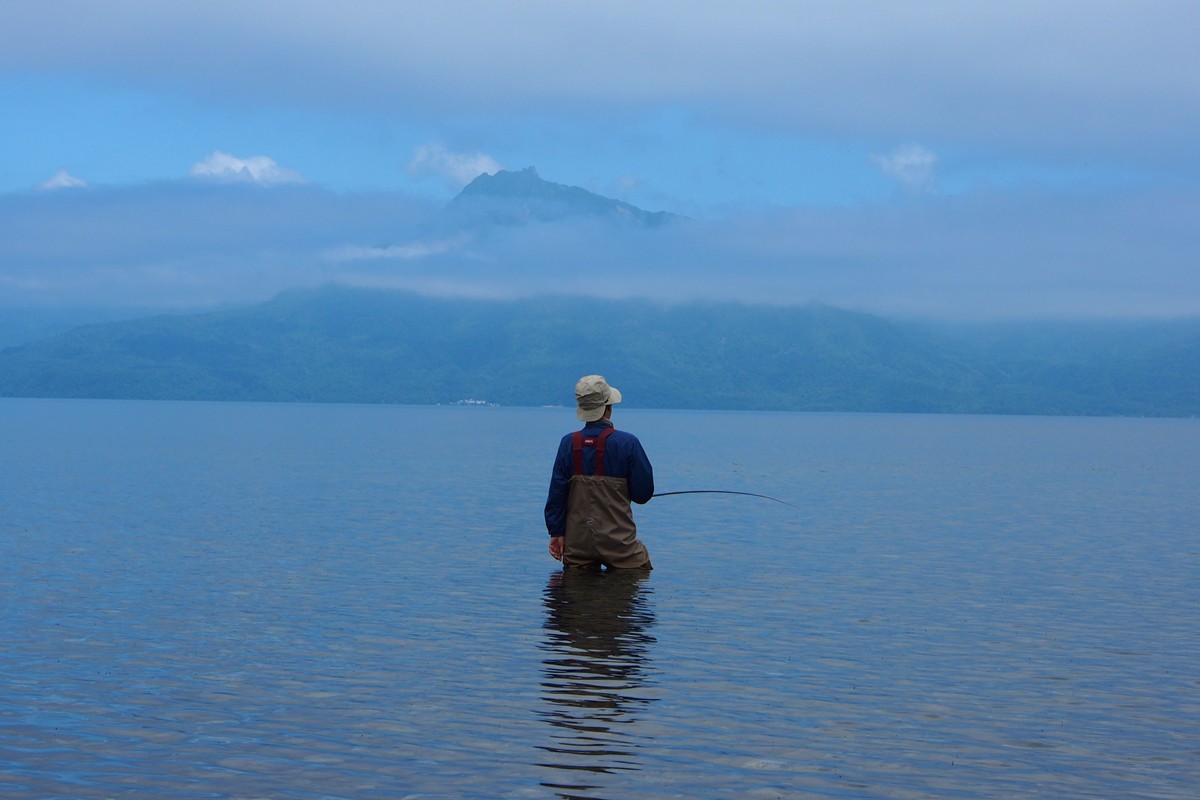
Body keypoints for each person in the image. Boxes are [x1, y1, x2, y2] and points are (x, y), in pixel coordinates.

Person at [544, 375, 654, 570]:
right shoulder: (628, 444)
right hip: (620, 545)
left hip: (577, 545)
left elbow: (556, 496)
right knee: (640, 572)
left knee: (576, 594)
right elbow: (643, 495)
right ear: (608, 408)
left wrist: (556, 533)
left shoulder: (567, 444)